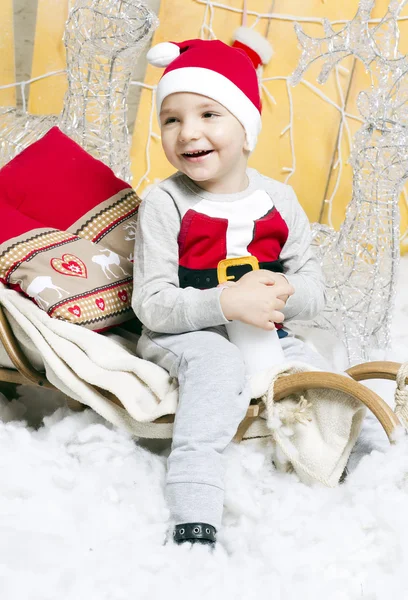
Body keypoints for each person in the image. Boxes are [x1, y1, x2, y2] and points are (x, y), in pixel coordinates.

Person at [132, 37, 331, 548]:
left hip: (263, 331)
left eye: (207, 114)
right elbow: (150, 304)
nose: (187, 132)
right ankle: (194, 501)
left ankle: (365, 462)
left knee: (321, 375)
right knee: (219, 365)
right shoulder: (165, 202)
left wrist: (282, 288)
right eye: (171, 119)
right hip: (182, 332)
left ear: (247, 130)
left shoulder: (279, 200)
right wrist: (223, 302)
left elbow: (315, 291)